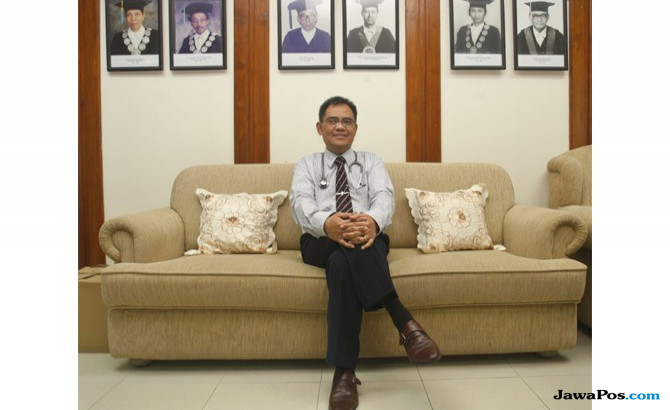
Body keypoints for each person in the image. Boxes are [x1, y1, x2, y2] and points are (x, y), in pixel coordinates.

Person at [290, 96, 441, 410]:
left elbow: (384, 197)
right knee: (343, 247)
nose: (340, 126)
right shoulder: (307, 164)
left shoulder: (371, 161)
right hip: (319, 239)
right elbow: (300, 203)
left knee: (341, 264)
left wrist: (371, 221)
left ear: (355, 128)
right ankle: (406, 324)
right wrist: (327, 223)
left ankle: (344, 374)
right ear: (319, 127)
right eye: (332, 120)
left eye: (347, 121)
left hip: (367, 236)